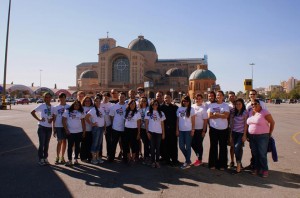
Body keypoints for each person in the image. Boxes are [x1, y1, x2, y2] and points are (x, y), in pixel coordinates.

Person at [247, 99, 275, 177]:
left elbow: (272, 122)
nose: (253, 105)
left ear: (259, 104)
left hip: (262, 136)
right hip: (252, 136)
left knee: (262, 154)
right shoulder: (251, 112)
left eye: (255, 104)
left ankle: (265, 170)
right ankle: (256, 169)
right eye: (252, 104)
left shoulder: (264, 112)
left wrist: (270, 133)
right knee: (255, 154)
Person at [245, 89, 267, 170]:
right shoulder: (247, 105)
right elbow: (247, 118)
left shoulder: (262, 104)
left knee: (261, 152)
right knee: (253, 150)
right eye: (251, 94)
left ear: (256, 95)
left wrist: (268, 132)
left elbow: (266, 116)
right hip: (252, 132)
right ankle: (253, 165)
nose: (252, 95)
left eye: (254, 94)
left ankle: (262, 168)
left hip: (262, 132)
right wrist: (246, 133)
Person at [207, 90, 230, 170]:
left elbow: (226, 116)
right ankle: (212, 164)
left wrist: (216, 114)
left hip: (224, 129)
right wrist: (221, 115)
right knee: (213, 146)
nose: (218, 96)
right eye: (217, 95)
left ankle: (222, 165)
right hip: (213, 129)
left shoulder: (226, 105)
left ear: (223, 96)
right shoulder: (212, 105)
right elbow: (209, 116)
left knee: (223, 147)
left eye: (220, 95)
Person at [31, 92, 54, 166]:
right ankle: (40, 159)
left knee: (46, 144)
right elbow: (32, 112)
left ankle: (45, 158)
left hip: (49, 128)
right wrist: (39, 119)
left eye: (49, 97)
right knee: (42, 144)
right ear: (44, 98)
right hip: (42, 127)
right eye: (46, 97)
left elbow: (53, 116)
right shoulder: (42, 105)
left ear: (51, 98)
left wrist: (51, 119)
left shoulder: (52, 107)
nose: (48, 98)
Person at [62, 100, 86, 166]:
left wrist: (84, 131)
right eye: (75, 104)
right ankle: (69, 160)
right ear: (73, 105)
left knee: (77, 146)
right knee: (70, 146)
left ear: (79, 106)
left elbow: (83, 122)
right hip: (70, 132)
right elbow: (63, 120)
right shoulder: (67, 111)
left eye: (78, 105)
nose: (76, 106)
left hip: (79, 132)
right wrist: (66, 129)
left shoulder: (81, 112)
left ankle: (75, 160)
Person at [176, 95, 195, 169]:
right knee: (181, 146)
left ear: (189, 102)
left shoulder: (191, 109)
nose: (185, 102)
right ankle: (188, 159)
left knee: (188, 147)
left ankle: (187, 161)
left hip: (188, 130)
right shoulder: (179, 109)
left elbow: (193, 121)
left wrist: (193, 130)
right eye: (183, 101)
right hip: (181, 130)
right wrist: (177, 130)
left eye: (186, 101)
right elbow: (177, 120)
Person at [85, 96, 106, 164]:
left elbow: (103, 119)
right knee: (95, 143)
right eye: (96, 101)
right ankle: (93, 158)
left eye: (99, 101)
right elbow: (86, 117)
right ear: (94, 102)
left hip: (101, 128)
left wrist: (104, 128)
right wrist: (92, 124)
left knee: (99, 144)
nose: (98, 102)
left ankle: (97, 157)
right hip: (96, 129)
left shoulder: (101, 109)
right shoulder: (93, 109)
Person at [145, 99, 166, 168]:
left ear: (158, 105)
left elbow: (162, 124)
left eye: (156, 104)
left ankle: (157, 161)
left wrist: (163, 133)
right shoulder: (148, 112)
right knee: (152, 148)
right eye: (153, 104)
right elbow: (146, 123)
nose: (155, 105)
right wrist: (147, 132)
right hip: (151, 132)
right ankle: (152, 161)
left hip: (159, 133)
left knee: (158, 148)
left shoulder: (161, 113)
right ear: (151, 105)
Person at [161, 93, 179, 166]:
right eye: (165, 98)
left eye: (168, 98)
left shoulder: (175, 107)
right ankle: (167, 159)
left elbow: (178, 119)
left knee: (174, 145)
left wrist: (177, 129)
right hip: (165, 130)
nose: (166, 99)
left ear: (171, 98)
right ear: (164, 99)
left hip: (173, 129)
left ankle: (174, 159)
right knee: (166, 145)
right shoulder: (161, 107)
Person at [108, 92, 127, 162]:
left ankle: (125, 158)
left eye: (123, 97)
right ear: (118, 97)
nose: (121, 98)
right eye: (120, 97)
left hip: (124, 128)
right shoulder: (114, 107)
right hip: (115, 128)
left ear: (125, 98)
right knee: (114, 144)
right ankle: (111, 158)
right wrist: (114, 124)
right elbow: (111, 116)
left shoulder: (127, 106)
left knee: (124, 144)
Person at [231, 98, 248, 173]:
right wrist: (231, 134)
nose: (238, 105)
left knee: (237, 147)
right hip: (234, 133)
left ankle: (238, 164)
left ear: (242, 105)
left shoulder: (245, 112)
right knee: (236, 149)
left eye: (239, 104)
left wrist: (245, 135)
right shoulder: (234, 112)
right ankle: (239, 163)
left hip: (241, 133)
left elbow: (245, 125)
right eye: (236, 104)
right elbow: (232, 124)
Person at [53, 93, 70, 164]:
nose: (62, 99)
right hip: (58, 126)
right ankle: (57, 157)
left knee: (64, 142)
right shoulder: (56, 107)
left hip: (66, 126)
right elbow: (54, 119)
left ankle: (62, 157)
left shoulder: (69, 107)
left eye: (63, 97)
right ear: (59, 98)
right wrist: (53, 129)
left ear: (65, 98)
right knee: (59, 142)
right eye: (61, 97)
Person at [191, 93, 208, 166]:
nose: (198, 100)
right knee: (192, 143)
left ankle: (199, 159)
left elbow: (205, 121)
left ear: (202, 100)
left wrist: (204, 131)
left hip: (200, 129)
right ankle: (199, 157)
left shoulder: (203, 108)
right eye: (197, 99)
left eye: (200, 99)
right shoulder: (192, 106)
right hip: (193, 129)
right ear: (195, 99)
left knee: (199, 144)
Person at [124, 99, 141, 164]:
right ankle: (129, 157)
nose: (132, 105)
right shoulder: (126, 111)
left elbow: (139, 123)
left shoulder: (137, 113)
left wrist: (138, 133)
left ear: (135, 105)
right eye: (131, 104)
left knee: (133, 144)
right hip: (126, 129)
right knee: (126, 144)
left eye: (134, 104)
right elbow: (124, 121)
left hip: (134, 130)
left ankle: (133, 158)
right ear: (129, 105)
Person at [80, 96, 94, 162]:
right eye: (86, 101)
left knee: (90, 143)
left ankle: (90, 157)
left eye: (89, 101)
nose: (87, 102)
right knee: (83, 144)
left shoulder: (93, 108)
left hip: (91, 129)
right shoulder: (81, 108)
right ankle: (83, 157)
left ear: (91, 102)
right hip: (83, 129)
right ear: (84, 101)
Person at [138, 96, 150, 164]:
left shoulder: (149, 109)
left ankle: (147, 157)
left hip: (148, 128)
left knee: (148, 143)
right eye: (142, 101)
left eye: (145, 101)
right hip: (142, 129)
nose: (143, 102)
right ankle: (146, 157)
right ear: (140, 102)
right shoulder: (138, 110)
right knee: (145, 142)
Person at [101, 92, 113, 158]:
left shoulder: (111, 105)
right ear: (103, 97)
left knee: (108, 141)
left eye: (107, 97)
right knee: (100, 141)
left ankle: (109, 154)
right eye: (104, 97)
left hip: (108, 125)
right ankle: (99, 154)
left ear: (109, 98)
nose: (106, 98)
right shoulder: (99, 104)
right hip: (100, 125)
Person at [227, 91, 236, 169]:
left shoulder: (239, 104)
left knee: (239, 147)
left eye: (232, 96)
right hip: (230, 128)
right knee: (232, 146)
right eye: (230, 96)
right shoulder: (228, 106)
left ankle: (239, 161)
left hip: (239, 129)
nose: (231, 97)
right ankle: (232, 161)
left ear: (235, 96)